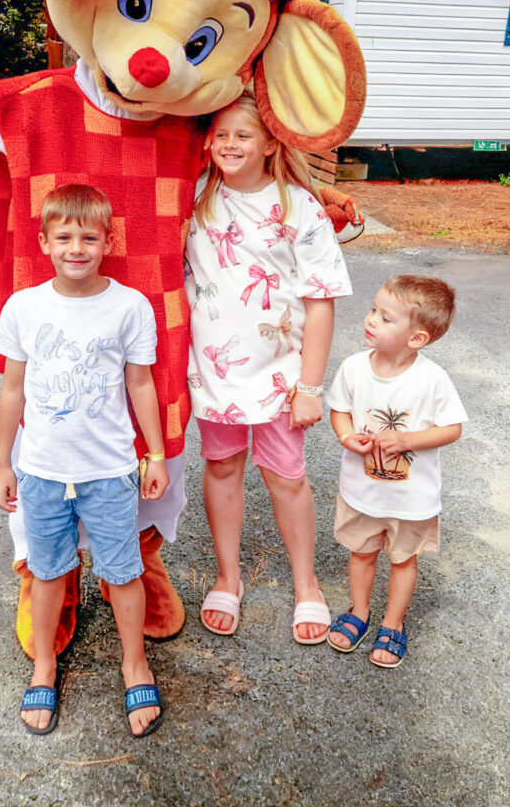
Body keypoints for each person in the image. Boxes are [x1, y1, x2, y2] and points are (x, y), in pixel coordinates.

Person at [0, 184, 169, 737]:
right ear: (43, 241)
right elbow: (12, 392)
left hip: (110, 472)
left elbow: (141, 384)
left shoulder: (129, 306)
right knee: (47, 573)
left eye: (89, 237)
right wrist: (2, 464)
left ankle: (134, 662)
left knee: (123, 572)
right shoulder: (24, 307)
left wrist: (155, 452)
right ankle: (45, 664)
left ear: (107, 241)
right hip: (42, 473)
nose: (76, 247)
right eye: (64, 236)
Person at [186, 93, 351, 644]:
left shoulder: (299, 207)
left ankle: (307, 585)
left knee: (286, 478)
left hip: (281, 379)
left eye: (243, 135)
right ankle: (228, 577)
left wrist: (311, 386)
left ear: (271, 143)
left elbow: (321, 299)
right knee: (223, 468)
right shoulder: (194, 199)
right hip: (215, 376)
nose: (229, 144)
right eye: (220, 134)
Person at [326, 274, 467, 669]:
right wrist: (346, 435)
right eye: (374, 310)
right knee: (361, 552)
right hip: (362, 491)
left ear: (417, 338)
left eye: (386, 318)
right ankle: (359, 611)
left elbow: (452, 428)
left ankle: (393, 621)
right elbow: (338, 408)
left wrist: (407, 441)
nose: (371, 319)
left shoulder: (432, 379)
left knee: (403, 559)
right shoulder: (354, 368)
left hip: (410, 500)